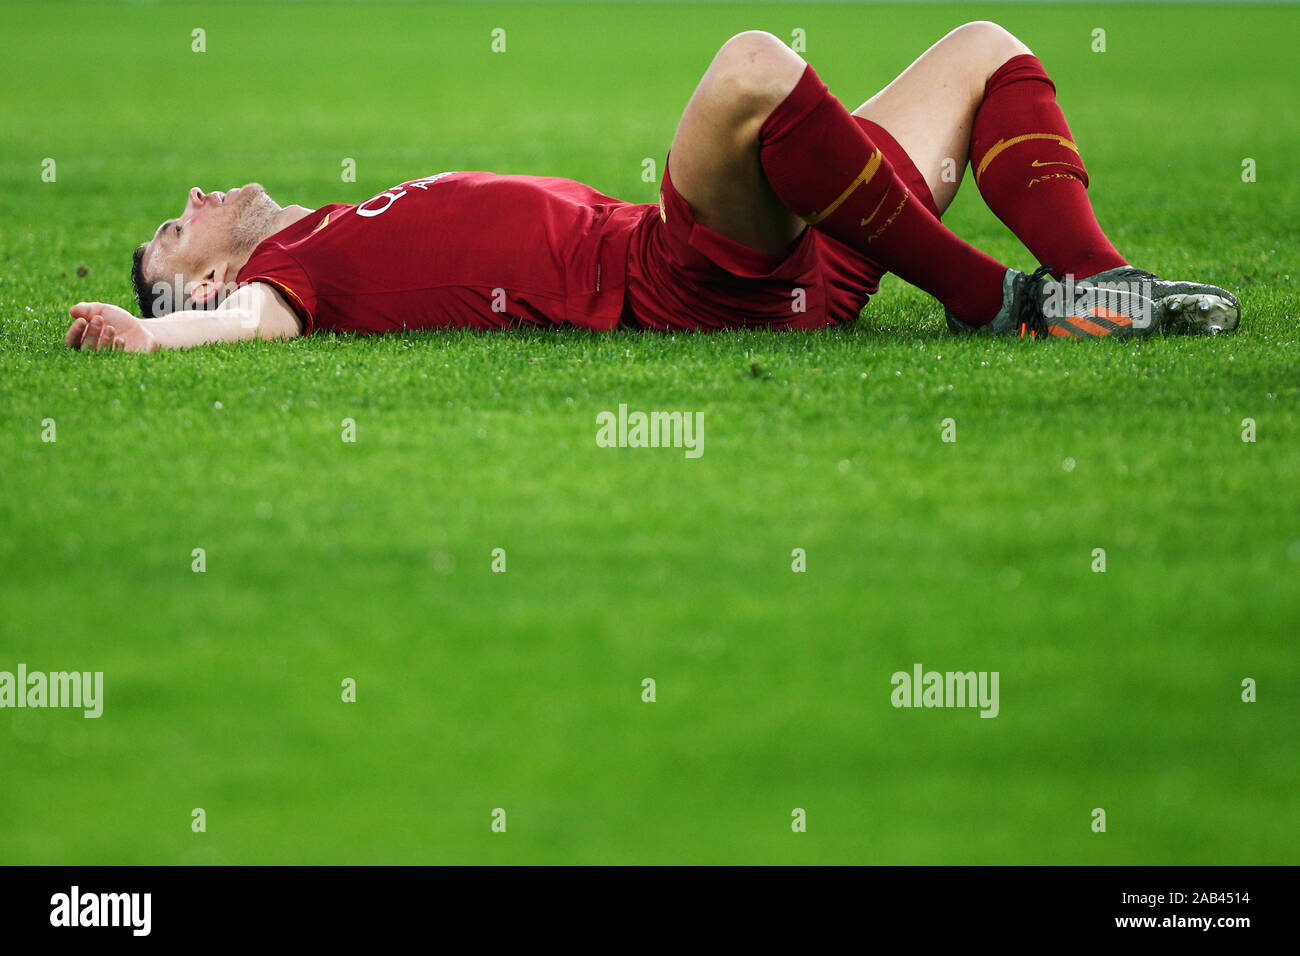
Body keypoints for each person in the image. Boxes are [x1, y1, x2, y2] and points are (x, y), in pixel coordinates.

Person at [65, 22, 1240, 353]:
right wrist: (149, 336)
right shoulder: (283, 275)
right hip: (685, 278)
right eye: (178, 229)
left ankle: (1100, 286)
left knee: (984, 49)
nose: (199, 192)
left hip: (800, 249)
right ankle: (996, 299)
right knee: (749, 67)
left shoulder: (325, 225)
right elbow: (256, 328)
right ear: (209, 279)